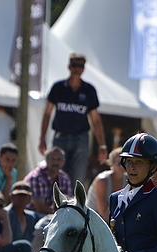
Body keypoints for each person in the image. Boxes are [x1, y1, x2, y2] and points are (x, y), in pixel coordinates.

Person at [39, 53, 108, 185]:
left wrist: (102, 145)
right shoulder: (58, 88)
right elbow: (47, 113)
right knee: (56, 176)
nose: (77, 69)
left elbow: (95, 120)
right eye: (74, 65)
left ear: (84, 69)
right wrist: (42, 138)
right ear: (69, 67)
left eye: (80, 66)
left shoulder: (89, 90)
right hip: (61, 137)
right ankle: (57, 204)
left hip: (81, 138)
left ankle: (75, 205)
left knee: (78, 178)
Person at [23, 146, 72, 216]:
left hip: (54, 214)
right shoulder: (36, 177)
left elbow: (68, 202)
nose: (55, 162)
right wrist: (58, 214)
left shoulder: (65, 178)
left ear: (63, 161)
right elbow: (40, 208)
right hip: (33, 215)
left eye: (59, 159)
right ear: (46, 160)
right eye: (52, 159)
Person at [87, 147, 124, 223]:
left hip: (112, 221)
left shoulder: (128, 180)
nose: (122, 166)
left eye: (125, 162)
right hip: (92, 221)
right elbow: (104, 215)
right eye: (118, 163)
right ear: (111, 163)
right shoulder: (102, 180)